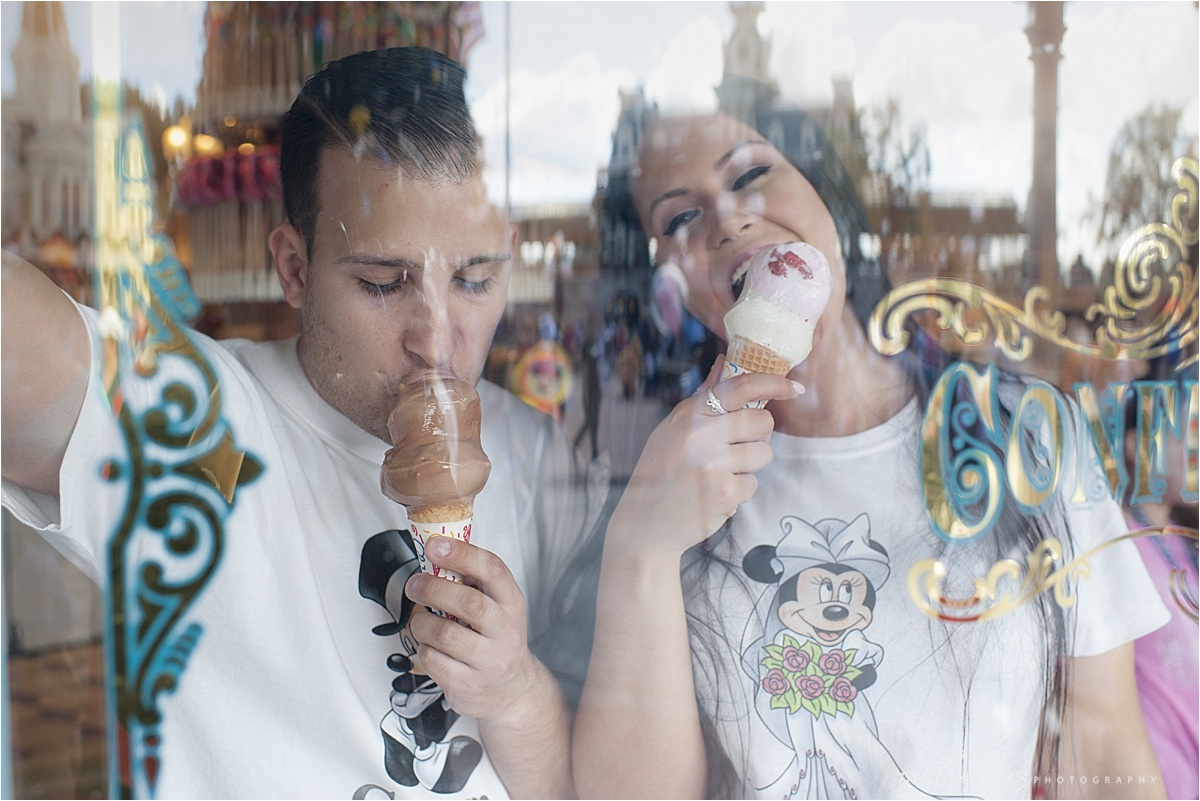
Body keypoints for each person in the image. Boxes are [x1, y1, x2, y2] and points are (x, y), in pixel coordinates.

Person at [2, 47, 593, 799]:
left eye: (475, 279)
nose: (439, 339)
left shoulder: (540, 456)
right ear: (293, 268)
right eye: (383, 283)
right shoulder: (204, 422)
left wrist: (514, 693)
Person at [569, 104, 1170, 799]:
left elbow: (1102, 760)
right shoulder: (671, 481)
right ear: (668, 283)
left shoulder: (1028, 431)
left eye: (752, 173)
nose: (728, 219)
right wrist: (642, 541)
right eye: (678, 219)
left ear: (828, 194)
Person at [1122, 374, 1199, 801]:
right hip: (1154, 779)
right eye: (1185, 436)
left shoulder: (1182, 545)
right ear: (1135, 447)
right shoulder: (1118, 537)